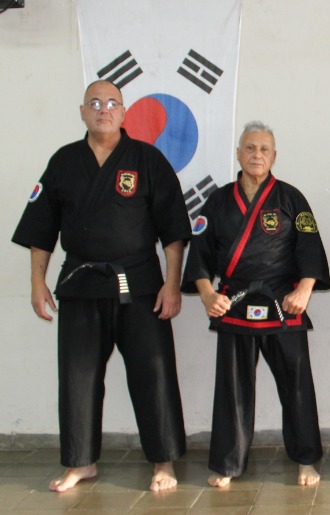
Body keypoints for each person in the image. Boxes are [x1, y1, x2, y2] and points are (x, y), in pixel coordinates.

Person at [11, 80, 190, 494]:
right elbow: (41, 229)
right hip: (81, 284)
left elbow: (173, 231)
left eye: (111, 103)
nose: (103, 109)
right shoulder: (63, 161)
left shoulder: (147, 159)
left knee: (154, 373)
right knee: (78, 377)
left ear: (124, 112)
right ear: (82, 112)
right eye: (94, 103)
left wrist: (171, 284)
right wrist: (37, 282)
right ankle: (80, 462)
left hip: (140, 285)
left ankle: (163, 460)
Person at [182, 123, 329, 488]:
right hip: (234, 303)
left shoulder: (291, 198)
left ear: (274, 156)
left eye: (264, 149)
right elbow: (199, 253)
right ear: (238, 154)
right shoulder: (217, 201)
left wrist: (304, 291)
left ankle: (306, 459)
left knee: (297, 387)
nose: (257, 154)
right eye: (250, 148)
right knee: (232, 390)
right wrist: (208, 295)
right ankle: (228, 463)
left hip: (283, 304)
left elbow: (310, 248)